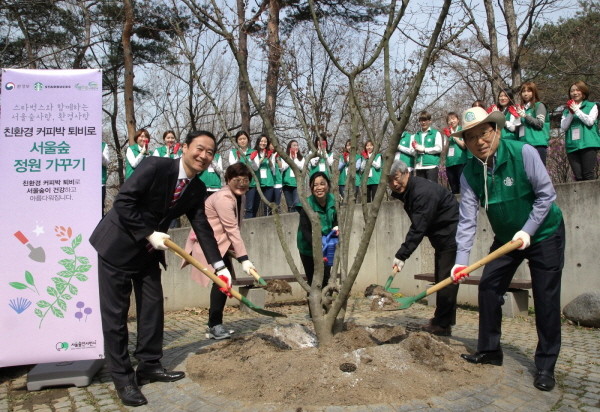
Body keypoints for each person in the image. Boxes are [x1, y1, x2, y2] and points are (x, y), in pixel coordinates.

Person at [90, 130, 230, 407]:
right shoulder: (155, 165)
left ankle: (149, 365)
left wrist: (219, 266)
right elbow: (124, 201)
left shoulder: (197, 189)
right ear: (185, 147)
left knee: (152, 309)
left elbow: (201, 226)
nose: (203, 156)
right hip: (117, 247)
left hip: (148, 254)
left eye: (210, 152)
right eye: (199, 148)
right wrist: (148, 233)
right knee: (116, 317)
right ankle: (123, 378)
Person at [450, 107, 564, 392]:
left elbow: (546, 195)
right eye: (471, 137)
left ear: (496, 130)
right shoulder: (469, 173)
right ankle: (490, 351)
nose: (479, 141)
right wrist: (460, 261)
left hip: (544, 233)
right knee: (488, 287)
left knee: (545, 298)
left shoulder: (523, 152)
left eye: (484, 133)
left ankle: (546, 365)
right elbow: (466, 221)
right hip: (506, 239)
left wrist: (528, 230)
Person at [182, 163, 256, 339]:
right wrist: (244, 258)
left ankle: (214, 324)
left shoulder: (240, 197)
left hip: (222, 245)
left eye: (245, 180)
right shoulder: (223, 198)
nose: (241, 184)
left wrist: (236, 252)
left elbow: (236, 225)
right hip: (208, 246)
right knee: (221, 282)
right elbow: (232, 229)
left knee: (224, 282)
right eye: (237, 180)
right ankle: (215, 326)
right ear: (228, 180)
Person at [388, 160, 459, 336]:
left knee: (446, 280)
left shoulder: (421, 192)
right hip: (441, 237)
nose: (394, 184)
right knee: (443, 277)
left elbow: (419, 227)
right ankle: (443, 319)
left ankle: (442, 325)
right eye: (390, 181)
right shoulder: (410, 191)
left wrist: (402, 255)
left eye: (396, 178)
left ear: (406, 173)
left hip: (451, 234)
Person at [296, 172, 337, 290]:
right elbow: (306, 230)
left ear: (328, 185)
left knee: (326, 279)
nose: (319, 188)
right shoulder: (306, 204)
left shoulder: (334, 201)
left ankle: (327, 306)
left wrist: (333, 238)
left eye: (322, 184)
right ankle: (314, 306)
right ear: (311, 188)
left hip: (328, 244)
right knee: (314, 282)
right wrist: (319, 246)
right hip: (308, 247)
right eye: (315, 185)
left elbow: (336, 222)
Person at [560, 81, 600, 181]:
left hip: (588, 144)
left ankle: (592, 197)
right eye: (572, 91)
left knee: (588, 174)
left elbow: (590, 121)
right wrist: (571, 112)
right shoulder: (566, 110)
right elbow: (564, 127)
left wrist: (577, 111)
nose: (574, 93)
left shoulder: (592, 106)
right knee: (578, 177)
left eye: (578, 90)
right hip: (572, 146)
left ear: (584, 93)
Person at [517, 81, 550, 165]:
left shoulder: (539, 105)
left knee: (539, 173)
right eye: (523, 91)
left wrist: (525, 116)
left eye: (529, 91)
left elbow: (539, 124)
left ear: (534, 92)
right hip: (524, 145)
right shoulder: (521, 109)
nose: (525, 94)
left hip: (537, 144)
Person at [228, 131, 255, 217]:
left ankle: (249, 227)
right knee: (237, 206)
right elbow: (232, 166)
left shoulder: (253, 151)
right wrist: (238, 158)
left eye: (244, 139)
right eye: (240, 139)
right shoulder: (233, 152)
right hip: (238, 184)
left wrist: (252, 159)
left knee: (250, 208)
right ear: (237, 141)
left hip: (251, 184)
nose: (242, 141)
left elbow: (256, 168)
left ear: (248, 140)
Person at [249, 134, 276, 217]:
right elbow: (255, 167)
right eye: (261, 141)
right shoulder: (254, 152)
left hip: (268, 183)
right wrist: (262, 158)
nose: (263, 143)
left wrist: (269, 159)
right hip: (258, 183)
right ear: (258, 142)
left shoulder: (270, 153)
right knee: (254, 206)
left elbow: (273, 169)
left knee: (267, 207)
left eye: (265, 141)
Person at [412, 111, 442, 183]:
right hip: (419, 166)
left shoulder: (435, 133)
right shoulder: (416, 135)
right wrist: (415, 150)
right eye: (421, 120)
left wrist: (424, 149)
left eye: (425, 120)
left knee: (432, 190)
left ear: (430, 121)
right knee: (421, 190)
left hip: (431, 166)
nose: (423, 122)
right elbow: (412, 152)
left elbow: (439, 148)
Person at [442, 112, 466, 194]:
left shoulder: (462, 130)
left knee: (463, 187)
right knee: (454, 188)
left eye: (453, 119)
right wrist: (448, 138)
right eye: (449, 120)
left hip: (460, 161)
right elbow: (445, 150)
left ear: (458, 120)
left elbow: (463, 145)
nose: (451, 121)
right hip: (450, 163)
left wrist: (453, 135)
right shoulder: (447, 132)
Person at [281, 140, 304, 212]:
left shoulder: (301, 158)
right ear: (289, 147)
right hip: (286, 184)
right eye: (294, 145)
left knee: (297, 203)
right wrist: (290, 158)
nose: (296, 147)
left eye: (297, 145)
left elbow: (301, 167)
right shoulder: (284, 157)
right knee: (290, 205)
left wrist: (296, 158)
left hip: (297, 184)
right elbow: (282, 168)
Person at [270, 142, 283, 213]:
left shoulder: (280, 155)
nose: (272, 146)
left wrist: (277, 158)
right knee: (269, 203)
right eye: (270, 144)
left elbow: (282, 168)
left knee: (277, 204)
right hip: (269, 183)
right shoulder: (266, 155)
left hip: (278, 183)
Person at [102, 141, 110, 215]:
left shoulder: (104, 145)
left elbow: (106, 162)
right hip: (84, 183)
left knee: (100, 208)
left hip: (100, 183)